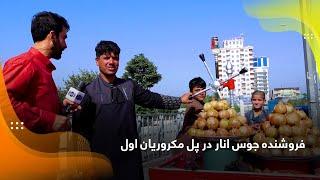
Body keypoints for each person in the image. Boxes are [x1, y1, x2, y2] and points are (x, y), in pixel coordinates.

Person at [73, 40, 192, 180]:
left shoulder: (129, 86)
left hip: (129, 157)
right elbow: (79, 130)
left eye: (115, 58)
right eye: (106, 58)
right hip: (100, 160)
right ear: (97, 61)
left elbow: (152, 99)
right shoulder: (87, 91)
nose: (111, 62)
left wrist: (179, 100)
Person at [3, 11, 73, 133]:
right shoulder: (24, 63)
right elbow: (4, 105)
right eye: (64, 38)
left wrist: (60, 108)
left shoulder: (43, 67)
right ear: (52, 36)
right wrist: (50, 120)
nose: (65, 45)